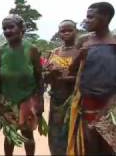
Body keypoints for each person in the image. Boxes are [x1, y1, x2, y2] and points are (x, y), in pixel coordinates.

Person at [67, 2, 116, 155]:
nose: (86, 20)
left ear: (105, 17)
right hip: (88, 103)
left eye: (91, 17)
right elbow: (72, 70)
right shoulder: (84, 41)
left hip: (112, 106)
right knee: (90, 147)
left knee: (109, 149)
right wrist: (79, 57)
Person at [0, 14, 44, 156]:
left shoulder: (32, 49)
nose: (7, 31)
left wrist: (39, 102)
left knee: (28, 135)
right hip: (7, 100)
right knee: (9, 136)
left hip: (27, 99)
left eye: (11, 27)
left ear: (22, 29)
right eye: (4, 28)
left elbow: (39, 77)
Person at [44, 20, 79, 155]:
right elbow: (45, 79)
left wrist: (65, 78)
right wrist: (50, 73)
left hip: (75, 101)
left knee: (72, 134)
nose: (66, 33)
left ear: (76, 31)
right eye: (62, 31)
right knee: (55, 135)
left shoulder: (80, 52)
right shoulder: (54, 53)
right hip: (57, 101)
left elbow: (86, 77)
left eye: (69, 30)